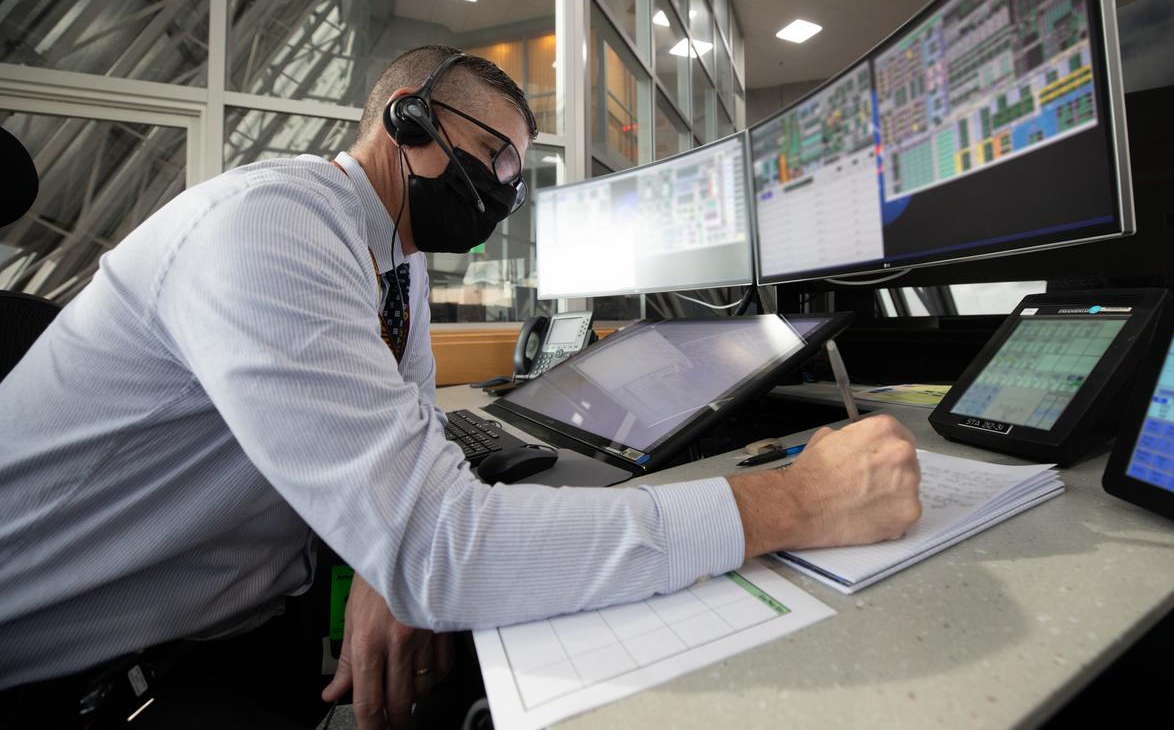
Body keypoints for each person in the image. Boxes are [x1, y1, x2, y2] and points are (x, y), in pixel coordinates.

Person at [0, 45, 923, 729]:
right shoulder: (271, 230)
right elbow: (443, 548)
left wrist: (376, 557)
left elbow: (413, 434)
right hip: (87, 672)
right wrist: (790, 501)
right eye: (497, 156)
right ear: (406, 118)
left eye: (519, 172)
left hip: (227, 624)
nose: (506, 190)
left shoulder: (390, 263)